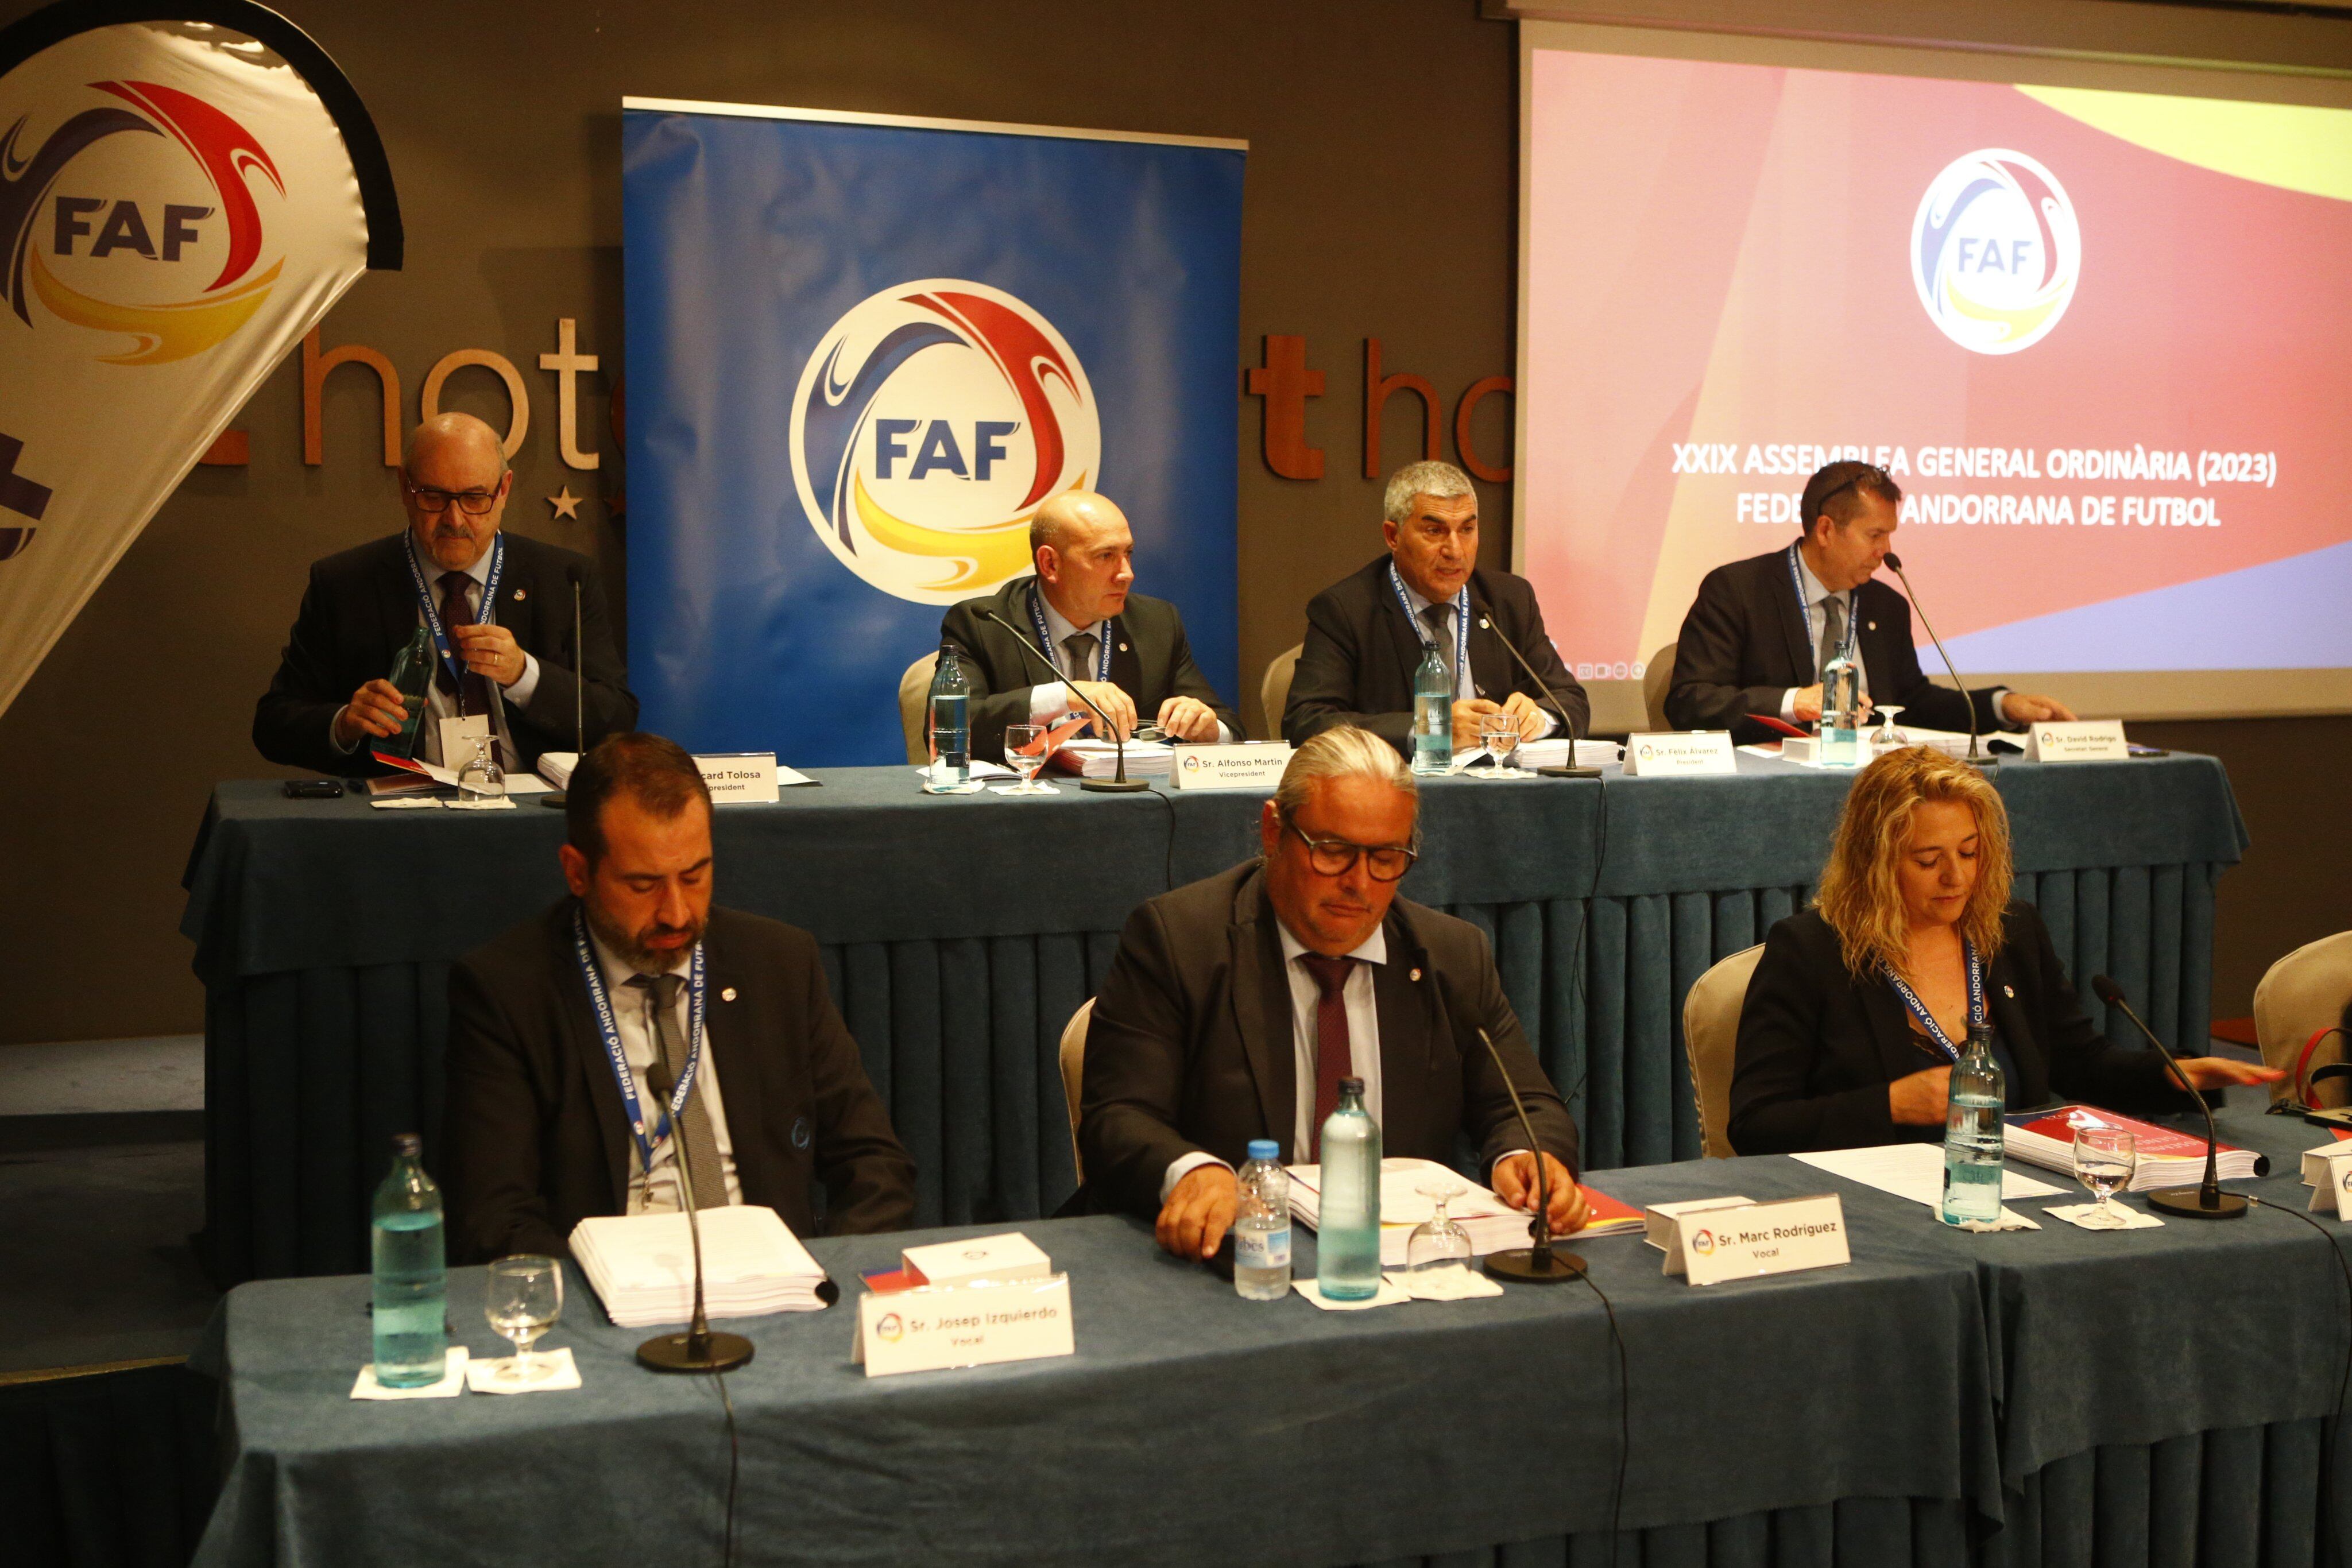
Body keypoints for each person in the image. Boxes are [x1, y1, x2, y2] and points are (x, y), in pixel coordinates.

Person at [1078, 725, 1587, 1260]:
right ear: (1274, 830)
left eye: (1386, 857)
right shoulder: (1180, 940)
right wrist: (1193, 1170)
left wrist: (1528, 1155)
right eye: (1334, 852)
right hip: (1234, 1259)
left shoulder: (1451, 955)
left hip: (1394, 1262)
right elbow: (1118, 1118)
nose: (1360, 884)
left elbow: (1526, 1106)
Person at [440, 733, 915, 1261]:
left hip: (775, 1290)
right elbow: (491, 1221)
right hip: (606, 1302)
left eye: (695, 876)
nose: (677, 913)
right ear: (578, 871)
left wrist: (825, 1280)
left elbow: (875, 1166)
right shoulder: (508, 991)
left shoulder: (777, 963)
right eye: (643, 885)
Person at [1727, 746, 2278, 1155]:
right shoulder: (1810, 951)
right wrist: (1889, 1103)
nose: (1955, 877)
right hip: (1874, 1202)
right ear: (1875, 861)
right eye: (1927, 860)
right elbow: (1756, 1124)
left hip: (2016, 1189)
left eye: (1969, 853)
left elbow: (2079, 1063)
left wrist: (2171, 1073)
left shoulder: (2010, 931)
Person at [253, 412, 636, 776]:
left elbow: (616, 716)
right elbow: (274, 724)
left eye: (474, 498)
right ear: (405, 487)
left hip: (529, 808)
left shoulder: (564, 579)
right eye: (433, 497)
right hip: (397, 811)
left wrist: (524, 675)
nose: (454, 520)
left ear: (504, 490)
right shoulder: (345, 583)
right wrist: (344, 723)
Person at [1667, 461, 2075, 749]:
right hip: (1768, 788)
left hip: (1877, 791)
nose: (1886, 551)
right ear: (1826, 530)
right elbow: (1692, 700)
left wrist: (2002, 706)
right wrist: (1796, 702)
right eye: (1875, 535)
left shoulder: (1885, 605)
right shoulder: (1739, 590)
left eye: (1890, 535)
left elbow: (1912, 702)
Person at [1284, 459, 1588, 758]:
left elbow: (1570, 700)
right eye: (1434, 531)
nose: (1455, 551)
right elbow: (1307, 721)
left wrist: (1539, 718)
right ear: (1393, 536)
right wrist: (1429, 730)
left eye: (1467, 529)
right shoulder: (1346, 610)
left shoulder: (1508, 599)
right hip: (1398, 790)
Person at [938, 490, 1239, 762]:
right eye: (1106, 556)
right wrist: (1063, 696)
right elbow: (950, 730)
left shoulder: (1156, 623)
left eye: (1128, 553)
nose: (1127, 574)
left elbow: (1231, 728)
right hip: (1023, 807)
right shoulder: (984, 623)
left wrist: (1208, 729)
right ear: (1050, 565)